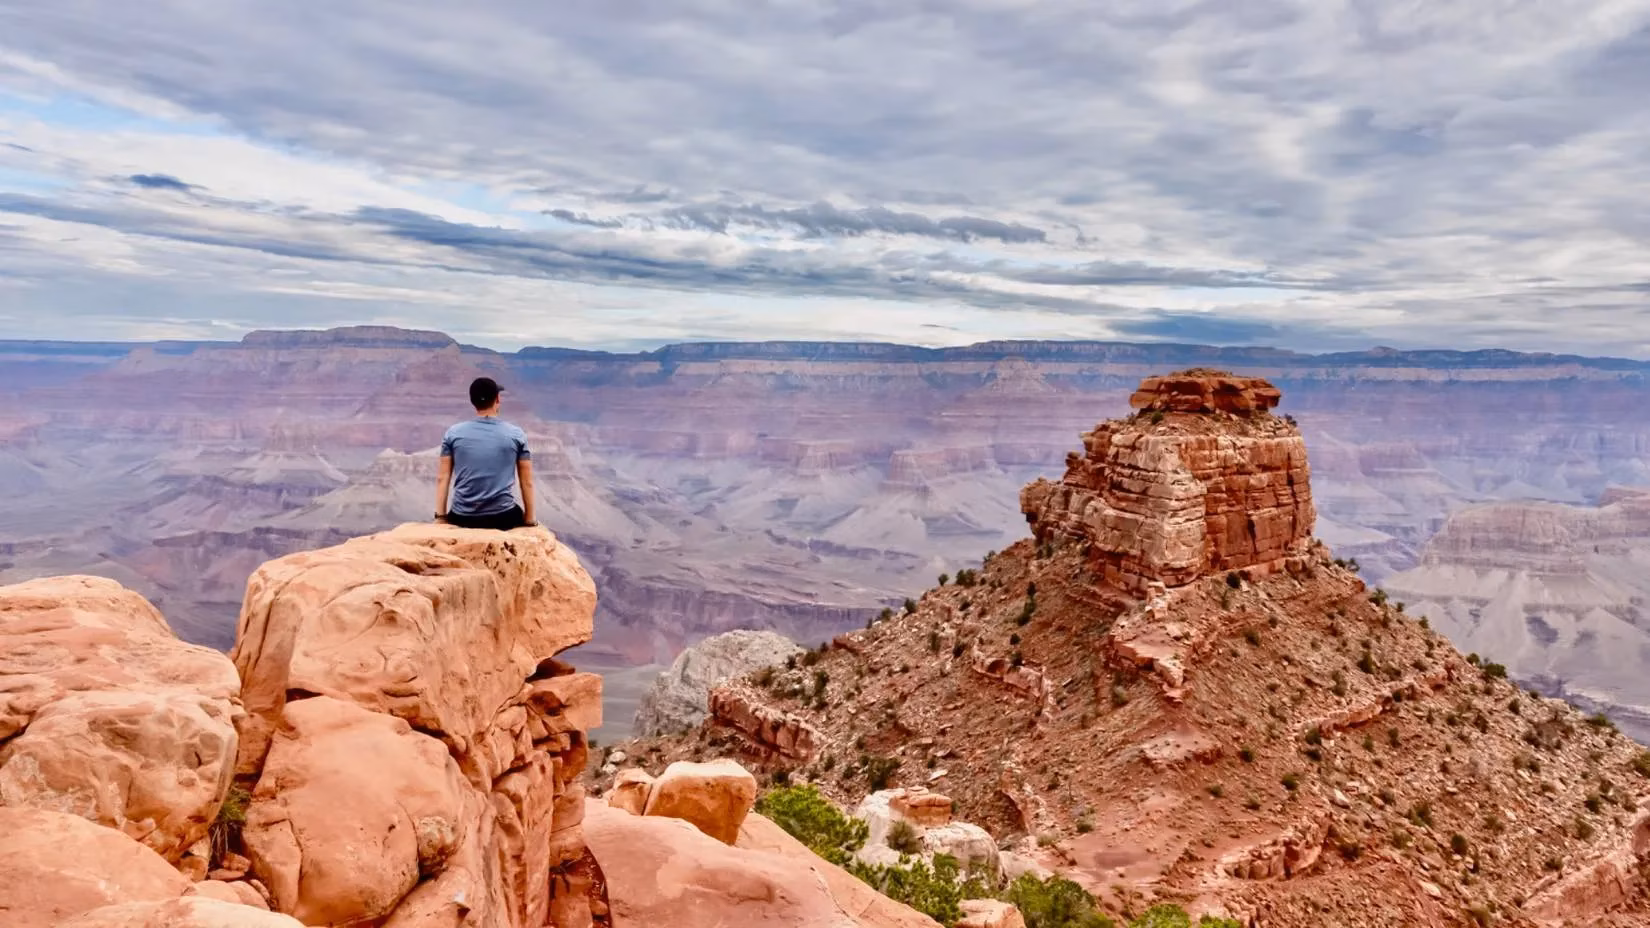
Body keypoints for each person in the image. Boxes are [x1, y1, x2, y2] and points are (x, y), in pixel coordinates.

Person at [434, 376, 537, 530]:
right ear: (497, 399)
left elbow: (442, 478)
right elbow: (527, 482)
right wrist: (529, 520)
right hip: (503, 517)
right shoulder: (516, 434)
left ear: (472, 401)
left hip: (462, 517)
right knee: (514, 511)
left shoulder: (453, 433)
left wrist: (441, 518)